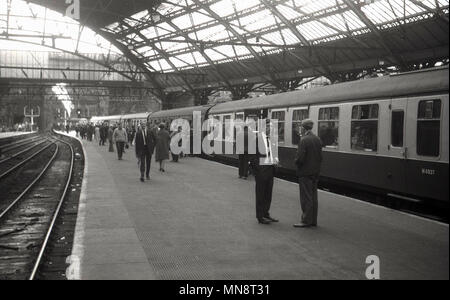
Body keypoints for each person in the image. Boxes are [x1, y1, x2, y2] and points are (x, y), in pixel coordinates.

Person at [294, 119, 323, 228]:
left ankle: (306, 220)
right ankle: (313, 220)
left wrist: (296, 162)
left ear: (303, 127)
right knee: (313, 196)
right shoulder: (317, 139)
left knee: (306, 197)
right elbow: (320, 157)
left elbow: (300, 158)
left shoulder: (304, 140)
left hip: (305, 172)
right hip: (315, 172)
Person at [250, 119, 279, 225]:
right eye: (268, 127)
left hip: (270, 170)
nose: (270, 129)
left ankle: (266, 213)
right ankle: (260, 216)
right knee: (261, 194)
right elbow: (252, 156)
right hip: (262, 171)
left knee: (268, 194)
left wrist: (275, 160)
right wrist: (258, 170)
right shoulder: (257, 139)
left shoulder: (270, 139)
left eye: (271, 127)